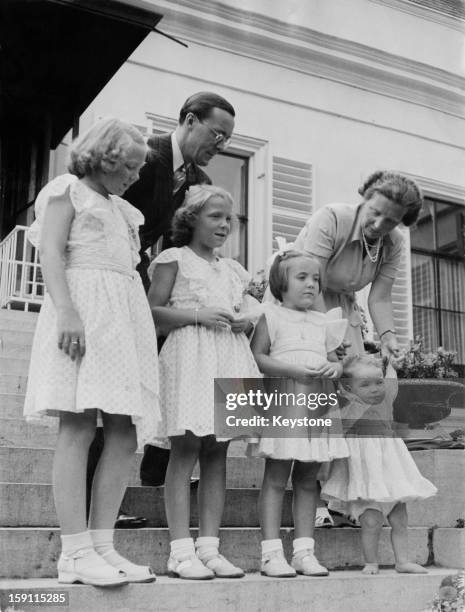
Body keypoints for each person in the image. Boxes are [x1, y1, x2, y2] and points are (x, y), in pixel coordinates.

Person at [23, 118, 159, 586]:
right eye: (132, 167)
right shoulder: (68, 191)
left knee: (123, 434)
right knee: (79, 424)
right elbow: (52, 255)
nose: (137, 176)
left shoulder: (124, 211)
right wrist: (67, 312)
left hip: (123, 320)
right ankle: (74, 552)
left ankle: (103, 544)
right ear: (106, 158)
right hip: (82, 313)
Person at [123, 91, 236, 488]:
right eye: (217, 134)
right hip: (121, 273)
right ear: (190, 120)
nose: (221, 146)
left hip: (152, 280)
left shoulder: (199, 182)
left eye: (227, 140)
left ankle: (157, 475)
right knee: (119, 387)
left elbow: (181, 243)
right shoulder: (146, 155)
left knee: (172, 372)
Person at [148, 184, 260, 579]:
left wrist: (244, 319)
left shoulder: (233, 270)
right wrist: (198, 315)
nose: (225, 225)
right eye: (215, 216)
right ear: (191, 218)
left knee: (217, 453)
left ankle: (210, 548)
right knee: (186, 450)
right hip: (189, 356)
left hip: (227, 356)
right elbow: (152, 314)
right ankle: (180, 551)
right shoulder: (174, 259)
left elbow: (246, 310)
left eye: (229, 218)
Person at [248, 250, 349, 577]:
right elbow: (258, 357)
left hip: (318, 402)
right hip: (285, 399)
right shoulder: (270, 315)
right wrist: (293, 370)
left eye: (316, 279)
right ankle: (271, 553)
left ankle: (304, 551)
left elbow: (335, 359)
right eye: (301, 277)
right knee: (277, 477)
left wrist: (334, 368)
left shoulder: (325, 322)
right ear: (281, 283)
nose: (311, 284)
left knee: (308, 480)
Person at [321, 354, 437, 574]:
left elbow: (391, 376)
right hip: (367, 474)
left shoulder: (386, 398)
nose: (375, 388)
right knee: (371, 521)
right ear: (348, 387)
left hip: (392, 471)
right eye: (365, 384)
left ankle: (402, 560)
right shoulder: (347, 406)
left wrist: (391, 357)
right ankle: (371, 562)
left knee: (400, 518)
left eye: (378, 382)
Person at [293, 171, 423, 359]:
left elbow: (380, 298)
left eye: (391, 221)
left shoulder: (395, 242)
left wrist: (388, 339)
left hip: (343, 312)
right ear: (365, 199)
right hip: (301, 303)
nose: (379, 225)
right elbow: (310, 282)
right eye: (375, 212)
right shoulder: (332, 218)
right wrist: (327, 334)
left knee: (349, 380)